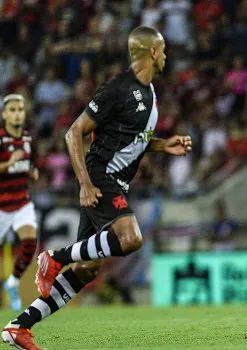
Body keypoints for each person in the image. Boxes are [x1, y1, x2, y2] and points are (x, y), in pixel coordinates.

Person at [1, 26, 193, 349]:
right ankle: (54, 257)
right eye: (163, 49)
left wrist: (163, 146)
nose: (166, 55)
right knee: (130, 238)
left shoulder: (149, 92)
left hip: (114, 181)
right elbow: (73, 133)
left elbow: (132, 139)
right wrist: (85, 183)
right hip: (102, 178)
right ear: (151, 52)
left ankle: (19, 326)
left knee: (88, 267)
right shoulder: (118, 88)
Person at [0, 94, 39, 312]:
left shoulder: (27, 139)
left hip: (22, 203)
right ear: (4, 114)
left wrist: (33, 172)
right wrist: (8, 164)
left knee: (30, 243)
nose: (16, 114)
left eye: (20, 110)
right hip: (1, 205)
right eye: (12, 110)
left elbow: (29, 165)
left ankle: (12, 283)